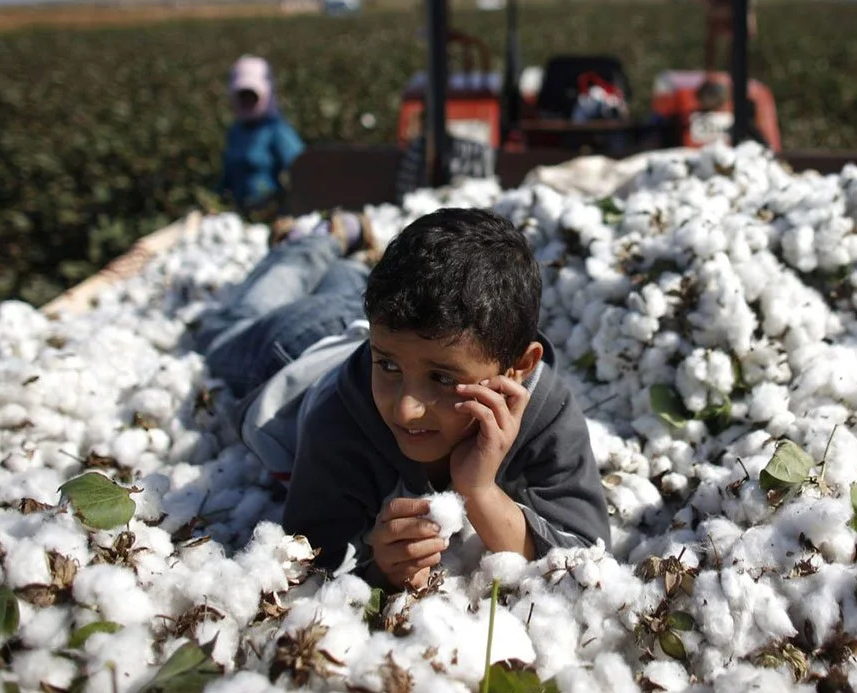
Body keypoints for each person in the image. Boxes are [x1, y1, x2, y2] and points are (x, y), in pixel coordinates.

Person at [193, 207, 610, 590]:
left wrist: (480, 490)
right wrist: (379, 571)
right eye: (388, 368)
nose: (407, 408)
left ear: (519, 366)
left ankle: (344, 262)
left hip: (369, 328)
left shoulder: (544, 409)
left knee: (342, 289)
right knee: (223, 329)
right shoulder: (338, 422)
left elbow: (581, 559)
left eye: (443, 377)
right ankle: (316, 240)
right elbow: (310, 565)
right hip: (296, 346)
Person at [218, 55, 305, 212]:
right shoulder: (235, 132)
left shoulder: (277, 131)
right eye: (243, 96)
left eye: (252, 96)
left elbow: (303, 170)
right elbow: (226, 178)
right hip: (240, 213)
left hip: (271, 215)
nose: (247, 101)